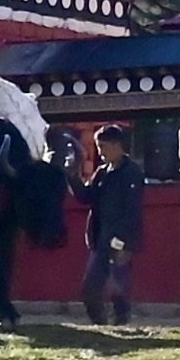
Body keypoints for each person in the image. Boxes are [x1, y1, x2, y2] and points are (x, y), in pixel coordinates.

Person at [77, 124, 149, 325]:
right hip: (100, 239)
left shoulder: (132, 173)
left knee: (119, 287)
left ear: (117, 146)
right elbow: (86, 197)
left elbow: (132, 211)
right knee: (90, 288)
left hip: (119, 241)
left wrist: (125, 243)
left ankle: (121, 323)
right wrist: (72, 177)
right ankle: (101, 323)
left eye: (103, 147)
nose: (100, 153)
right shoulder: (102, 172)